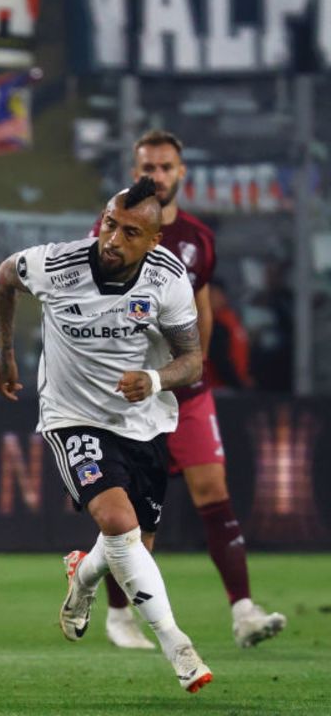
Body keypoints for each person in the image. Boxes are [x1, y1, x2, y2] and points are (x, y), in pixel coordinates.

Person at [0, 177, 213, 693]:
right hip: (72, 416)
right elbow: (4, 278)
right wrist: (5, 352)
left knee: (133, 546)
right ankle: (177, 644)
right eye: (110, 224)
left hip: (143, 421)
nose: (113, 239)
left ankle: (83, 576)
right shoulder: (56, 263)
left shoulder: (168, 278)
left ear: (152, 240)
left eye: (130, 232)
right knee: (116, 521)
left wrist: (154, 380)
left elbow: (193, 361)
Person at [92, 130, 284, 650]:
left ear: (181, 174)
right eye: (147, 167)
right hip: (130, 393)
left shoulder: (198, 238)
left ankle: (243, 611)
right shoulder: (114, 229)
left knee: (212, 492)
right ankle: (118, 616)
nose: (155, 176)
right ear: (136, 172)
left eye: (165, 167)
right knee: (126, 511)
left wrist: (191, 367)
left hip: (184, 389)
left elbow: (202, 310)